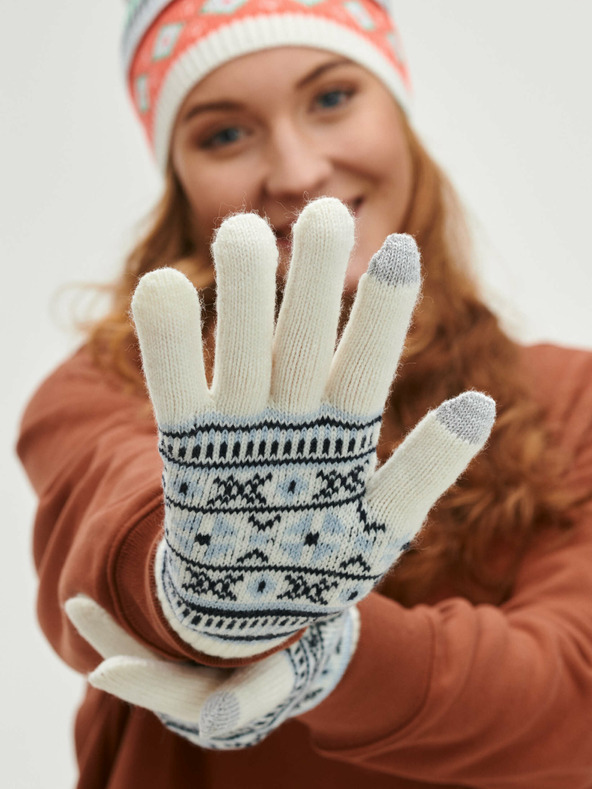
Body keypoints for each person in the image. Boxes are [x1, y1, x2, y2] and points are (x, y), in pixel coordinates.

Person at [16, 0, 592, 787]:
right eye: (224, 132)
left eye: (331, 97)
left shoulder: (571, 399)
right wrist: (185, 586)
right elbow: (104, 503)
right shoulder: (105, 382)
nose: (296, 172)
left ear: (399, 110)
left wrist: (331, 657)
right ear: (177, 179)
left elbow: (572, 696)